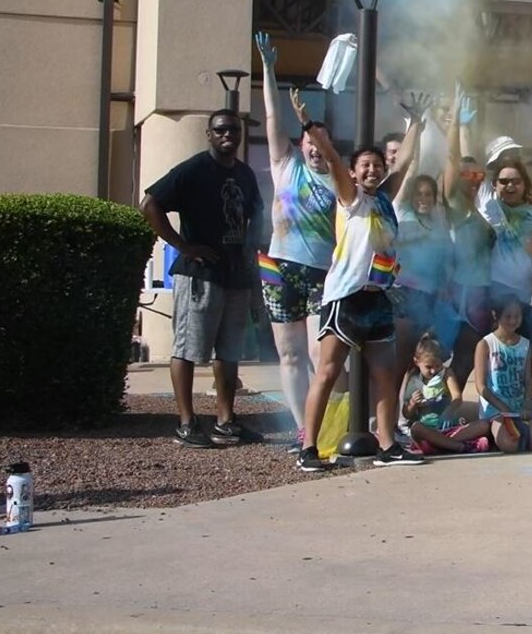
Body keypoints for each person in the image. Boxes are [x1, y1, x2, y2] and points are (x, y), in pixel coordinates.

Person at [290, 91, 421, 470]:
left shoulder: (383, 199)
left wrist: (417, 122)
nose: (372, 171)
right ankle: (308, 449)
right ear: (353, 172)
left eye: (377, 166)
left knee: (385, 374)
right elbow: (330, 157)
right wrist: (309, 126)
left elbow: (407, 162)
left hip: (377, 297)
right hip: (345, 297)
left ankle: (387, 445)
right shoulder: (351, 198)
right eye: (365, 165)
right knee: (329, 372)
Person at [140, 105, 262, 449]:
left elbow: (255, 224)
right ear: (209, 134)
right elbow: (149, 204)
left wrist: (254, 279)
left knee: (229, 352)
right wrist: (184, 246)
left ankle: (226, 421)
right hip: (200, 276)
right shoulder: (194, 169)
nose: (228, 136)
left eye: (233, 130)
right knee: (188, 348)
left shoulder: (245, 175)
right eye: (221, 130)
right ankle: (187, 423)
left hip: (235, 275)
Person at [251, 33, 331, 449]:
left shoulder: (339, 181)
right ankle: (304, 428)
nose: (314, 149)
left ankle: (322, 421)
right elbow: (270, 119)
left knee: (320, 355)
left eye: (321, 143)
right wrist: (269, 71)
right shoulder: (286, 165)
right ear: (301, 145)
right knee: (290, 354)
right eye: (309, 143)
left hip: (321, 271)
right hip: (278, 266)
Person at [389, 98, 452, 375]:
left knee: (421, 362)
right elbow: (410, 168)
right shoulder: (401, 209)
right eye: (419, 193)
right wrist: (415, 126)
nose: (424, 198)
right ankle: (384, 417)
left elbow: (445, 172)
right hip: (402, 292)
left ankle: (409, 413)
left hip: (429, 297)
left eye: (429, 193)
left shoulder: (438, 217)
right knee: (399, 358)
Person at [443, 91, 494, 381]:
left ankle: (450, 409)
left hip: (483, 291)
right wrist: (453, 125)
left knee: (469, 355)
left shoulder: (481, 202)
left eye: (478, 176)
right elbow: (455, 160)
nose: (474, 180)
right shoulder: (455, 205)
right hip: (461, 290)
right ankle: (428, 410)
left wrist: (464, 127)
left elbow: (469, 162)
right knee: (451, 354)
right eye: (468, 177)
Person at [477, 141, 532, 337]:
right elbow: (483, 173)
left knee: (523, 354)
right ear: (494, 185)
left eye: (516, 181)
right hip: (495, 295)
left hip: (527, 297)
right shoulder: (489, 205)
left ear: (525, 184)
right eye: (504, 181)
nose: (510, 186)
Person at [472, 297, 532, 454]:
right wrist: (502, 408)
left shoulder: (526, 344)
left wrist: (527, 404)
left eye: (517, 316)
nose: (513, 321)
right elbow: (480, 386)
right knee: (510, 446)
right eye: (508, 316)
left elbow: (529, 381)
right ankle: (488, 435)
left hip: (519, 407)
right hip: (496, 409)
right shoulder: (485, 344)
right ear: (496, 316)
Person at [402, 335, 493, 455]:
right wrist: (413, 404)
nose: (434, 371)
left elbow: (457, 397)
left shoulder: (445, 374)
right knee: (416, 428)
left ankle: (443, 445)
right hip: (427, 431)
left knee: (484, 425)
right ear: (417, 361)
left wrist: (449, 411)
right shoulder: (413, 380)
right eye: (428, 367)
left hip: (449, 430)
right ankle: (458, 447)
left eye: (438, 366)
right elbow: (406, 414)